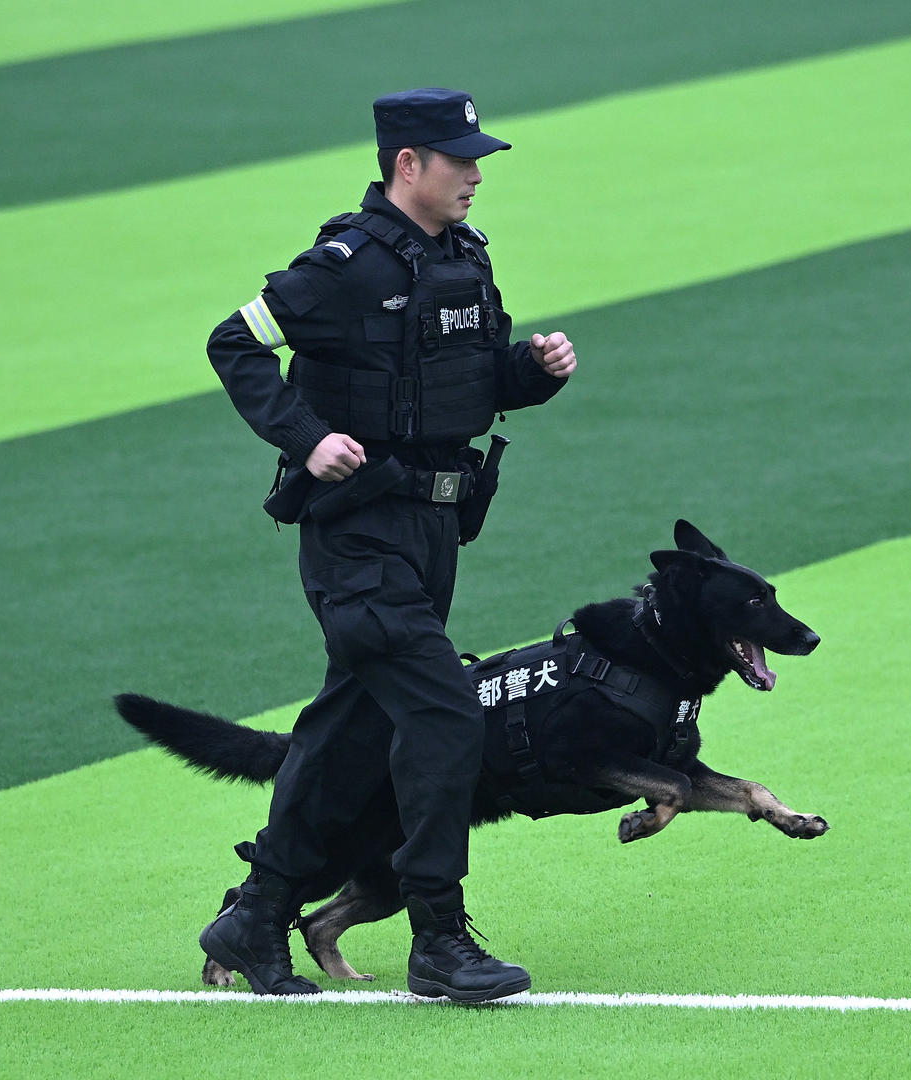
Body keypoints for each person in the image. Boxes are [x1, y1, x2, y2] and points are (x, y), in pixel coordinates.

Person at [199, 87, 576, 1002]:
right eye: (459, 159)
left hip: (432, 531)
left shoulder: (464, 259)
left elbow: (469, 383)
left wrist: (529, 373)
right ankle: (438, 938)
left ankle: (253, 919)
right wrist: (305, 438)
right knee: (447, 714)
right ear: (407, 164)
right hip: (357, 536)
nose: (476, 175)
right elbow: (234, 342)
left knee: (350, 729)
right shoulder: (343, 264)